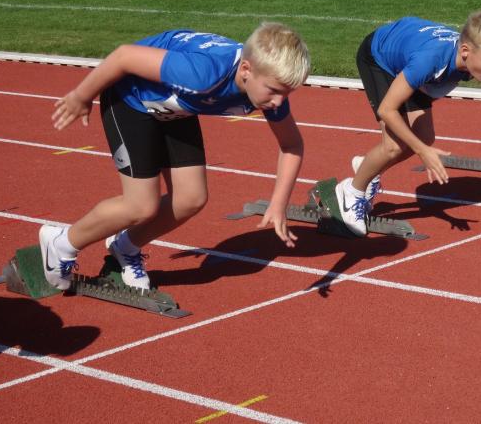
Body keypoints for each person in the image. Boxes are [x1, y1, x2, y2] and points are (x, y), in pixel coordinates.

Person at [39, 24, 311, 291]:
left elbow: (291, 144)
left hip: (175, 106)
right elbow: (124, 56)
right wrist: (81, 96)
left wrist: (278, 204)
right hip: (130, 97)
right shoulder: (204, 73)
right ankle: (61, 243)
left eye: (286, 93)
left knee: (191, 198)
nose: (279, 101)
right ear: (246, 70)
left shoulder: (267, 86)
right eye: (273, 90)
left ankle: (126, 247)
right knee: (140, 206)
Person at [333, 13, 481, 236]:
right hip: (378, 57)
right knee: (393, 146)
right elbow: (387, 110)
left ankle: (369, 166)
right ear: (466, 51)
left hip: (412, 58)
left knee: (425, 137)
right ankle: (352, 191)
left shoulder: (465, 62)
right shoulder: (429, 61)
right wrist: (422, 151)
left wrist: (422, 144)